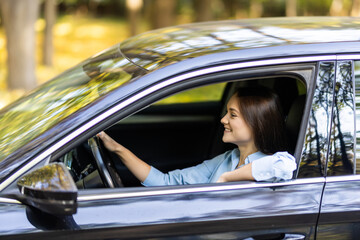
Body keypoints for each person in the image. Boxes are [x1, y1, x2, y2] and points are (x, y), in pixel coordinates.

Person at [97, 87, 296, 186]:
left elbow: (286, 165)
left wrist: (227, 178)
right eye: (226, 112)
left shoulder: (271, 164)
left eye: (232, 115)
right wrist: (117, 149)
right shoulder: (228, 159)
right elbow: (166, 182)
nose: (223, 120)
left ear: (256, 124)